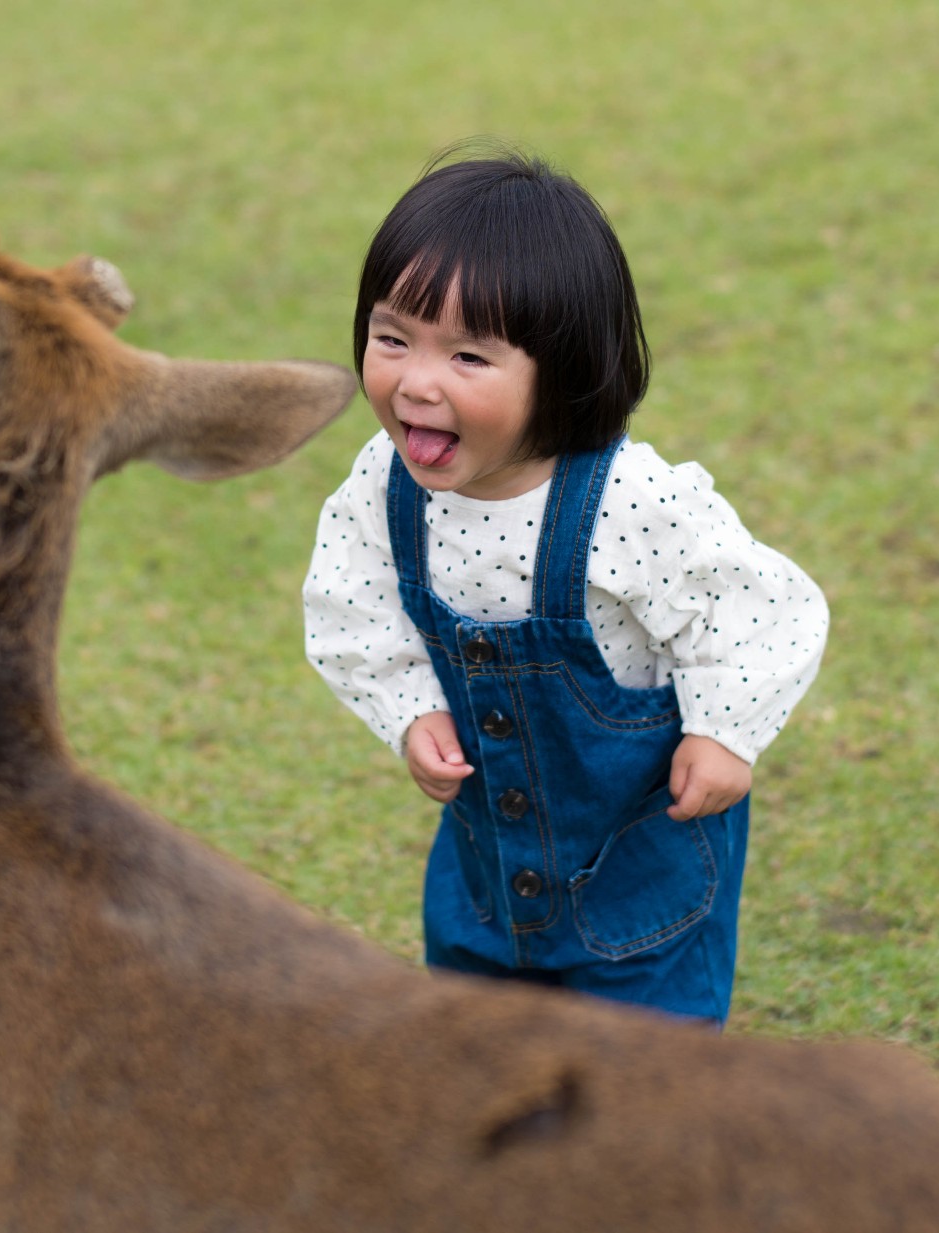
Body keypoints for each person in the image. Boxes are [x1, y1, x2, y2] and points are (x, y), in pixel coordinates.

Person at [303, 152, 828, 1026]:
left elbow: (760, 612)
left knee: (643, 1090)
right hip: (485, 883)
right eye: (392, 337)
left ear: (565, 368)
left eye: (469, 355)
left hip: (641, 878)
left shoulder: (631, 501)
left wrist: (725, 731)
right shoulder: (380, 486)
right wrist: (409, 707)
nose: (416, 381)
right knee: (481, 1052)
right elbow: (350, 602)